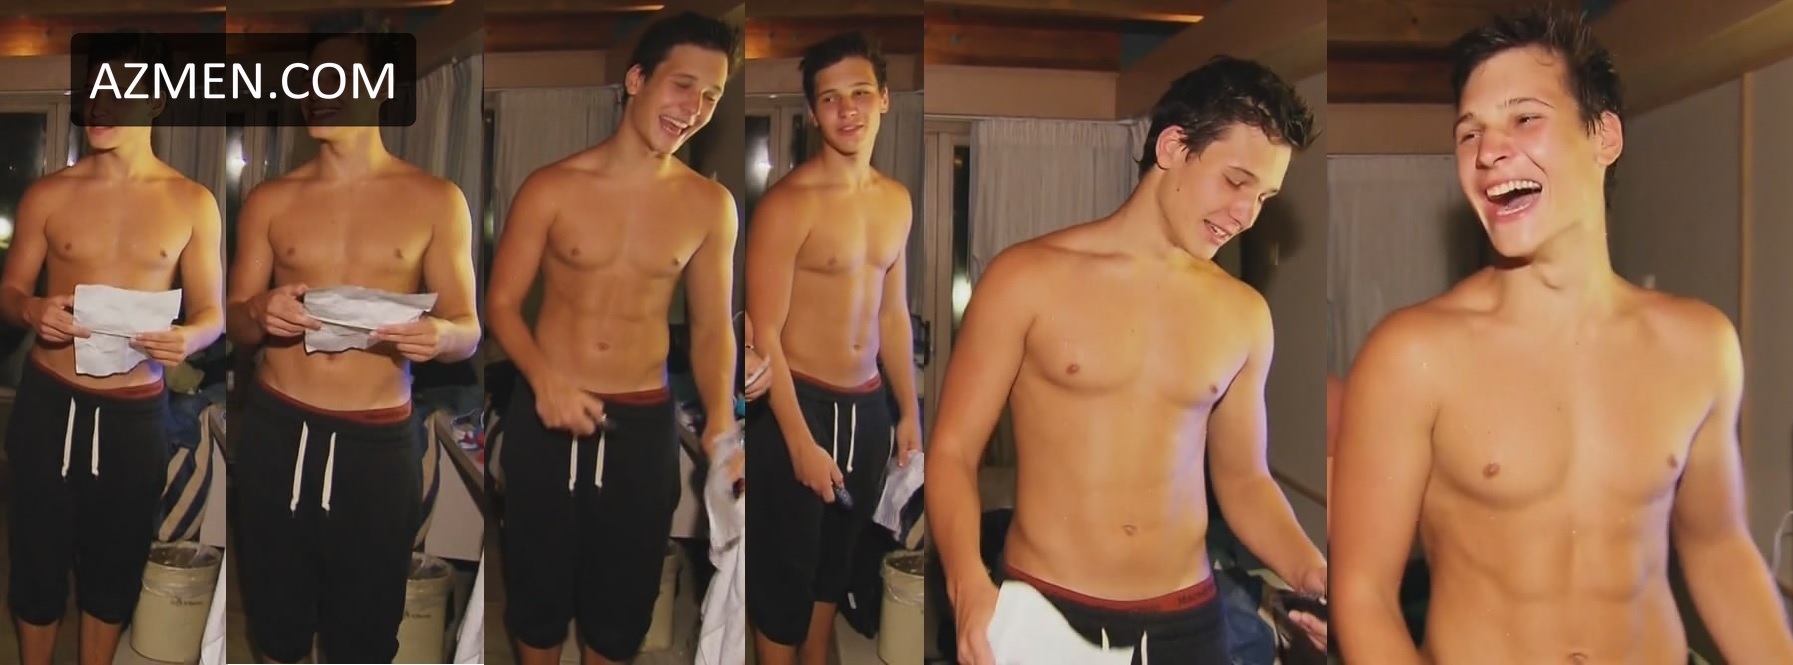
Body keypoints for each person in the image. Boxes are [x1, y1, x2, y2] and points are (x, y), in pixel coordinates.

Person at [1330, 8, 1793, 663]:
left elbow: (1719, 550)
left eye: (1524, 118)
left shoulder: (1700, 345)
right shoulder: (1411, 355)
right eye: (1469, 133)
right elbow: (1362, 593)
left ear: (1604, 136)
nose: (1488, 152)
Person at [926, 56, 1328, 665]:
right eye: (1236, 181)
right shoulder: (1024, 279)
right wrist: (966, 584)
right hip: (1046, 612)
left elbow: (1245, 480)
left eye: (1264, 196)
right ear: (1172, 147)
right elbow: (953, 452)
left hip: (1190, 622)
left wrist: (1311, 570)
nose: (1247, 214)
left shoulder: (1244, 314)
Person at [484, 11, 739, 665]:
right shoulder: (551, 187)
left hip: (641, 427)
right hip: (546, 412)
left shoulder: (710, 205)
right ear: (636, 80)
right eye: (682, 85)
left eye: (711, 96)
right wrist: (544, 380)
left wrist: (720, 418)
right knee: (537, 606)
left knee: (621, 615)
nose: (694, 109)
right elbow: (501, 304)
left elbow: (712, 326)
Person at [225, 30, 481, 664]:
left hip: (377, 444)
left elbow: (468, 328)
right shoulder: (270, 199)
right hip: (279, 429)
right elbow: (235, 321)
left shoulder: (436, 200)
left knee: (363, 636)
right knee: (276, 625)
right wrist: (259, 311)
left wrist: (441, 336)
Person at [0, 29, 225, 665]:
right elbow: (10, 290)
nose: (100, 103)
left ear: (157, 102)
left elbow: (212, 313)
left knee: (114, 561)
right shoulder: (49, 193)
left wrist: (188, 337)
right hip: (50, 403)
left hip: (134, 414)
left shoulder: (193, 202)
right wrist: (31, 308)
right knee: (37, 557)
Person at [744, 32, 922, 665]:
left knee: (835, 569)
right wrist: (799, 442)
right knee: (782, 582)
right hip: (798, 404)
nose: (847, 110)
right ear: (813, 113)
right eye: (830, 99)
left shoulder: (896, 200)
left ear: (885, 99)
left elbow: (893, 315)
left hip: (867, 410)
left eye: (860, 93)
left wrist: (909, 412)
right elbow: (762, 334)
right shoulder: (787, 205)